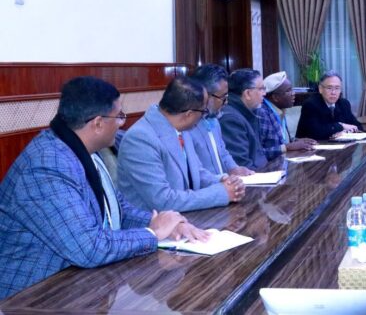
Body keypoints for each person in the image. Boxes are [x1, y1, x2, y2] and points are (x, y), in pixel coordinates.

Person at [0, 76, 207, 300]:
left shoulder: (82, 150)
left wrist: (164, 223)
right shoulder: (47, 166)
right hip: (32, 297)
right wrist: (153, 234)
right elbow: (89, 248)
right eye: (119, 116)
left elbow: (120, 210)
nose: (122, 123)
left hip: (78, 284)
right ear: (98, 123)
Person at [118, 76, 245, 212]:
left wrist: (223, 181)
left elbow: (196, 172)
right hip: (154, 222)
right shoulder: (140, 139)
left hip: (187, 216)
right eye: (203, 111)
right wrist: (220, 193)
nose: (204, 116)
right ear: (189, 114)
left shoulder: (181, 128)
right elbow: (163, 201)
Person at [189, 64, 254, 177]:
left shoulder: (214, 120)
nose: (226, 102)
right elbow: (196, 172)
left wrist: (234, 168)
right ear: (206, 95)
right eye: (223, 97)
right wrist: (221, 180)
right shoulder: (187, 126)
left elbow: (223, 153)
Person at [257, 71, 316, 159]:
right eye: (288, 90)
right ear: (275, 97)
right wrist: (287, 147)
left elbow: (281, 140)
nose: (293, 93)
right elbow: (258, 154)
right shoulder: (262, 114)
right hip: (270, 166)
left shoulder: (280, 109)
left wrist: (297, 141)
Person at [219, 68, 268, 170]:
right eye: (261, 89)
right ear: (247, 93)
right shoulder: (231, 119)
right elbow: (242, 165)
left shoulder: (248, 111)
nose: (264, 93)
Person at [295, 70, 363, 140]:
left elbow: (358, 127)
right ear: (320, 89)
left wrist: (346, 131)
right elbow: (316, 132)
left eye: (337, 88)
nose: (333, 92)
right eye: (329, 88)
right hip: (310, 145)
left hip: (337, 145)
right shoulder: (310, 105)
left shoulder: (344, 104)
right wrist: (341, 126)